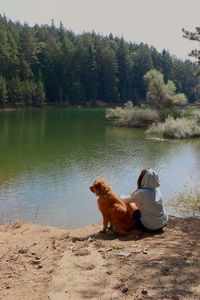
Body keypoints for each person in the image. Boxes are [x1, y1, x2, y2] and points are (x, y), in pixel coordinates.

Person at [120, 168, 168, 232]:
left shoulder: (142, 193)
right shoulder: (157, 190)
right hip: (162, 223)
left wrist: (121, 196)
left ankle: (128, 222)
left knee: (131, 205)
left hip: (150, 227)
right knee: (138, 203)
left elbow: (125, 200)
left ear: (144, 179)